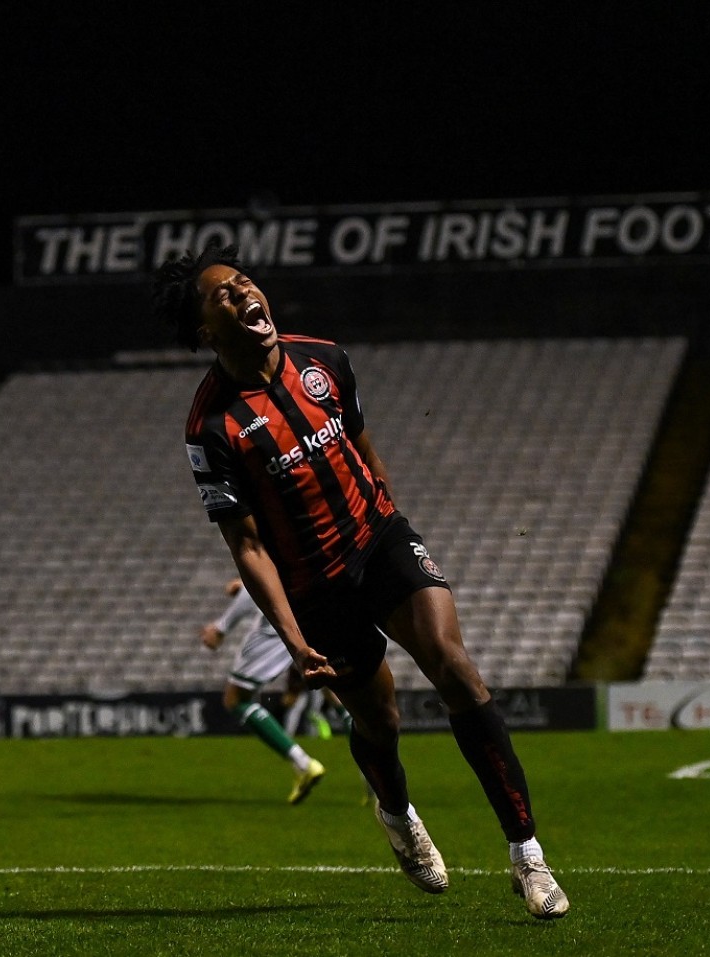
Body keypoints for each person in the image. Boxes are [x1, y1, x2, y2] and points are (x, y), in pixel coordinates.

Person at [153, 243, 569, 920]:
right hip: (315, 585)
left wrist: (392, 517)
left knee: (456, 670)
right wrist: (291, 636)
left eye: (243, 282)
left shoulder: (325, 358)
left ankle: (528, 856)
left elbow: (361, 444)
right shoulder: (212, 424)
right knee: (379, 715)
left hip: (378, 537)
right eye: (221, 295)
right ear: (206, 331)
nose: (242, 294)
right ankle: (397, 811)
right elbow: (247, 543)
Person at [200, 576, 326, 805]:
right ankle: (380, 789)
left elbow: (260, 578)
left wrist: (221, 627)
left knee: (236, 699)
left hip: (279, 624)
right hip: (316, 612)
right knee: (338, 697)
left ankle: (303, 764)